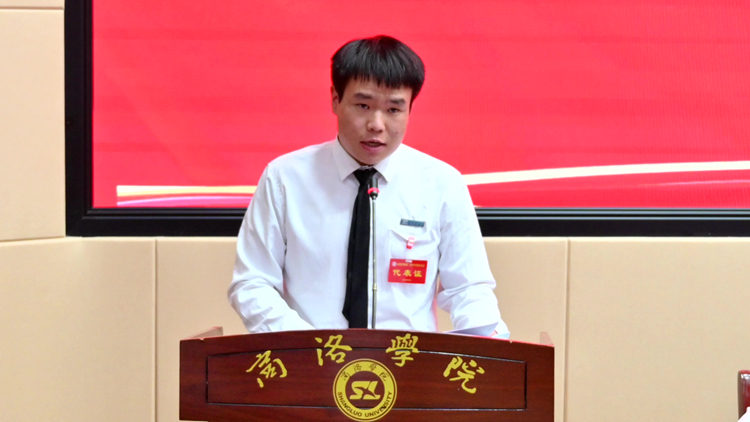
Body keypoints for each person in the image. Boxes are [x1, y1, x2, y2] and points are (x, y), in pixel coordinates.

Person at [228, 35, 509, 338]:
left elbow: (468, 288)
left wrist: (490, 344)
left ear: (410, 109)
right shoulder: (285, 178)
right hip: (312, 359)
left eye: (393, 110)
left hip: (406, 361)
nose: (377, 124)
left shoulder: (442, 183)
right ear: (335, 99)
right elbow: (252, 282)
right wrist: (309, 347)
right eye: (363, 105)